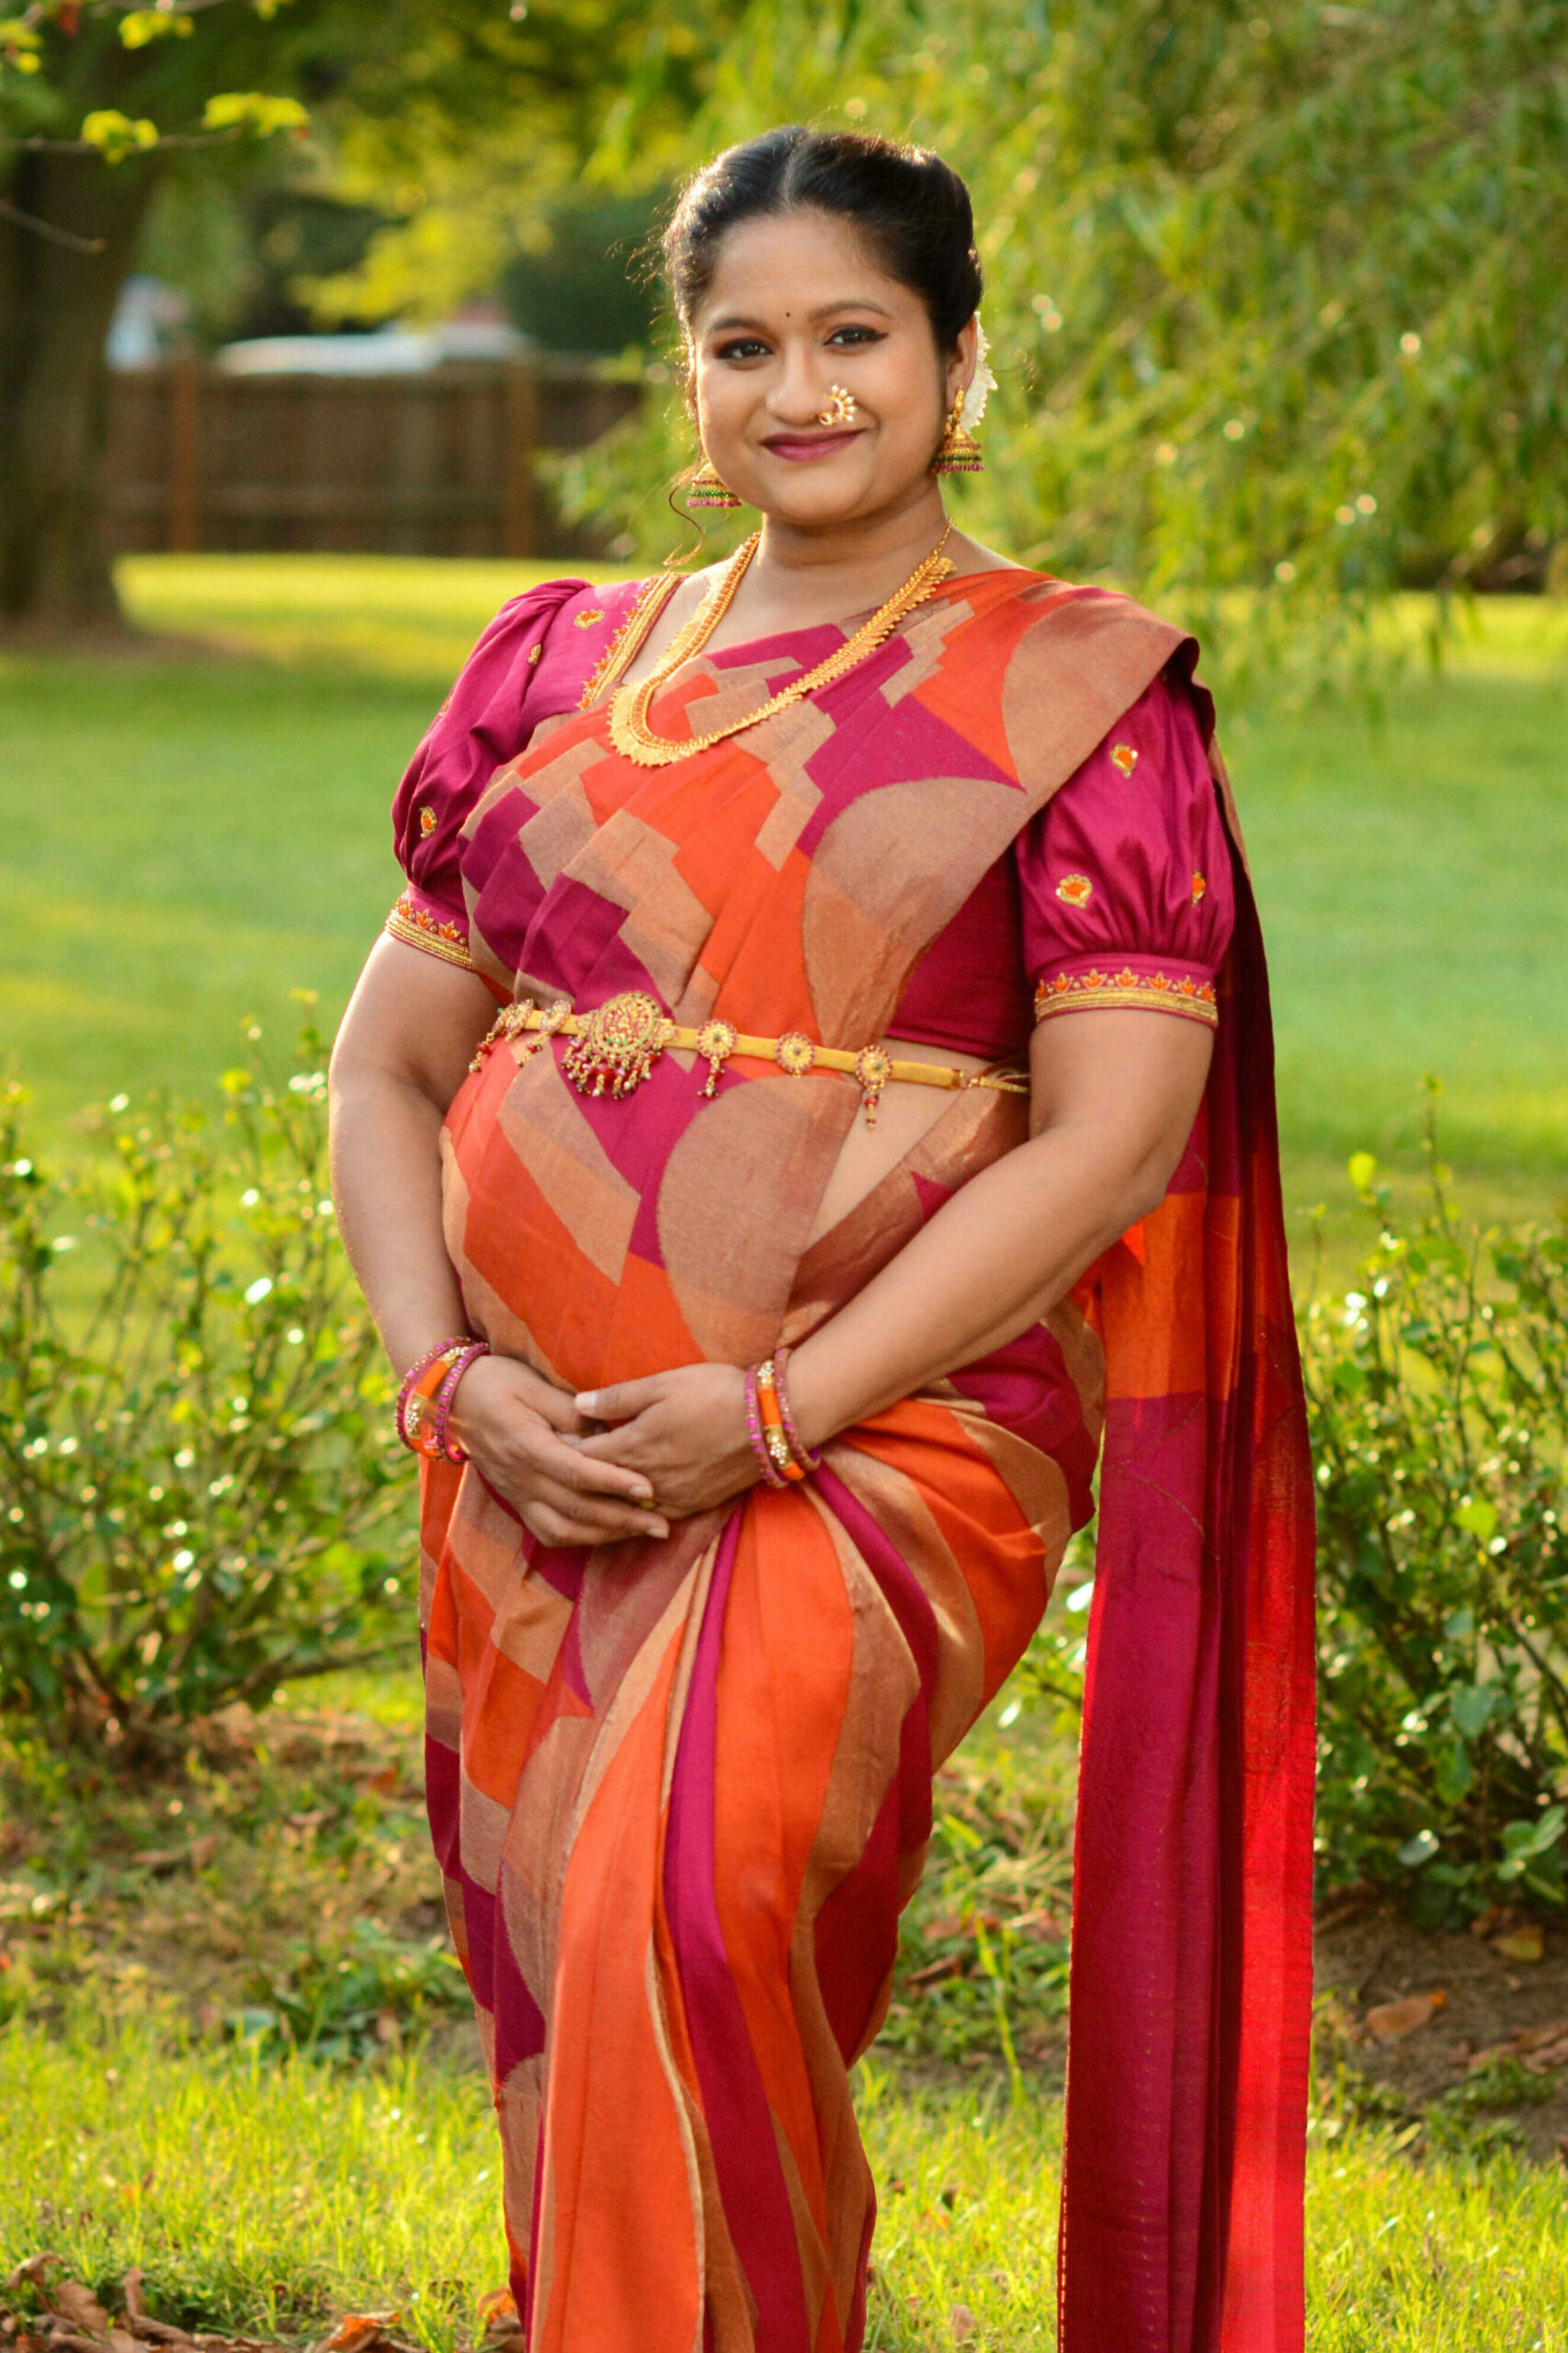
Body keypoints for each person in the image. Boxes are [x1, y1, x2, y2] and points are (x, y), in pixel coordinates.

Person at [329, 126, 1316, 2353]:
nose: (801, 390)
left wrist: (775, 1406)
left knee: (676, 1909)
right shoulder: (556, 664)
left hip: (888, 1433)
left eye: (853, 335)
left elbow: (1110, 1139)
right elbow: (382, 1066)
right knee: (572, 1969)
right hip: (529, 1447)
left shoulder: (1077, 693)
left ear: (959, 358)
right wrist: (451, 1376)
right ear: (684, 378)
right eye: (740, 342)